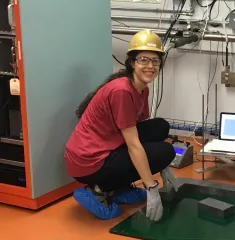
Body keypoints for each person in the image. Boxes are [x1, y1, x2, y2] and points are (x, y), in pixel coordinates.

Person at [64, 29, 177, 221]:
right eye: (143, 60)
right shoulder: (121, 91)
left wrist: (163, 165)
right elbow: (133, 145)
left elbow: (144, 129)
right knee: (165, 153)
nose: (150, 66)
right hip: (88, 162)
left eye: (155, 61)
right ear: (132, 62)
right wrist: (152, 187)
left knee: (160, 126)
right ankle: (99, 189)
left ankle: (119, 186)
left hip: (109, 145)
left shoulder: (141, 88)